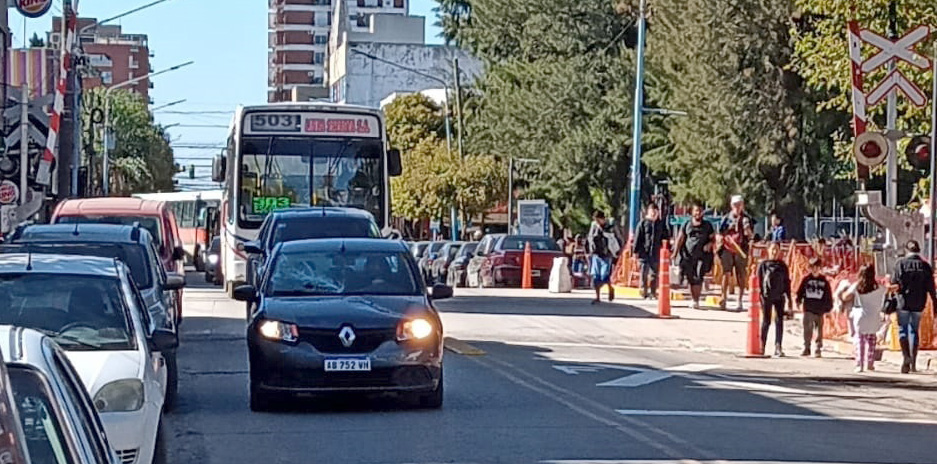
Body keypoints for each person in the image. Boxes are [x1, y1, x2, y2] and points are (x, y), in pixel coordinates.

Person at [889, 240, 937, 373]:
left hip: (903, 302)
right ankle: (914, 362)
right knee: (914, 330)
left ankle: (906, 357)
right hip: (919, 302)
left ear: (906, 250)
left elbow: (894, 283)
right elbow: (931, 287)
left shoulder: (900, 264)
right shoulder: (925, 266)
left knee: (902, 330)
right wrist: (934, 302)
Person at [843, 264, 886, 373]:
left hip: (860, 316)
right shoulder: (879, 287)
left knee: (860, 341)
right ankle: (870, 363)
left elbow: (846, 296)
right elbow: (887, 291)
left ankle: (860, 364)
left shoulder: (858, 286)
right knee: (871, 340)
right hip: (874, 317)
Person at [673, 204, 714, 309]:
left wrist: (709, 244)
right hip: (688, 256)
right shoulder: (686, 224)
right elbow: (680, 238)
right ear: (692, 212)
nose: (698, 213)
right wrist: (675, 253)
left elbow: (713, 238)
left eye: (700, 211)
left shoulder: (707, 225)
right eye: (696, 211)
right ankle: (693, 299)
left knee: (699, 277)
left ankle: (697, 300)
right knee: (691, 278)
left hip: (702, 256)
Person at [718, 195, 754, 311]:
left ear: (742, 205)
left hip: (741, 250)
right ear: (731, 205)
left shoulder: (747, 218)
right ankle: (723, 297)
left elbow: (751, 235)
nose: (737, 207)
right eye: (735, 205)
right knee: (726, 273)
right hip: (728, 248)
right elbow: (719, 233)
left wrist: (748, 231)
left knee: (741, 275)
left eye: (739, 204)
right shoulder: (726, 218)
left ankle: (740, 300)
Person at [756, 242, 792, 357]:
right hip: (766, 297)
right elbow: (759, 282)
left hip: (779, 297)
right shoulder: (763, 265)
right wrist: (759, 296)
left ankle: (778, 346)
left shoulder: (782, 266)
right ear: (768, 250)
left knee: (779, 321)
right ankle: (762, 345)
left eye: (776, 249)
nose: (774, 252)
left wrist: (789, 299)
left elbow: (787, 282)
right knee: (766, 321)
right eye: (772, 249)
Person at [795, 257, 832, 357]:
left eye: (817, 267)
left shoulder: (824, 281)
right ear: (810, 268)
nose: (815, 269)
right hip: (808, 308)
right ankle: (806, 347)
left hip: (820, 309)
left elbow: (828, 295)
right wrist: (798, 301)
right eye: (812, 267)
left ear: (820, 268)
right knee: (807, 328)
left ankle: (818, 348)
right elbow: (800, 292)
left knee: (819, 330)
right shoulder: (806, 280)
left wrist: (828, 308)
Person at [632, 203, 670, 299]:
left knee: (654, 274)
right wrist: (635, 252)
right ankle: (644, 291)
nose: (653, 214)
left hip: (655, 253)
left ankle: (653, 292)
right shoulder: (643, 223)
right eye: (652, 211)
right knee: (644, 273)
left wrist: (668, 247)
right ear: (648, 212)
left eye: (655, 211)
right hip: (644, 253)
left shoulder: (660, 224)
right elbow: (638, 238)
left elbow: (665, 237)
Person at [588, 210, 615, 304]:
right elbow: (590, 238)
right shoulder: (594, 226)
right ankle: (597, 297)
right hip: (596, 254)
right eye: (595, 220)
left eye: (598, 220)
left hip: (606, 254)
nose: (597, 222)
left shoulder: (610, 226)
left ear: (603, 219)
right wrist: (590, 249)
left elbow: (615, 238)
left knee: (604, 276)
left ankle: (610, 288)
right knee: (596, 277)